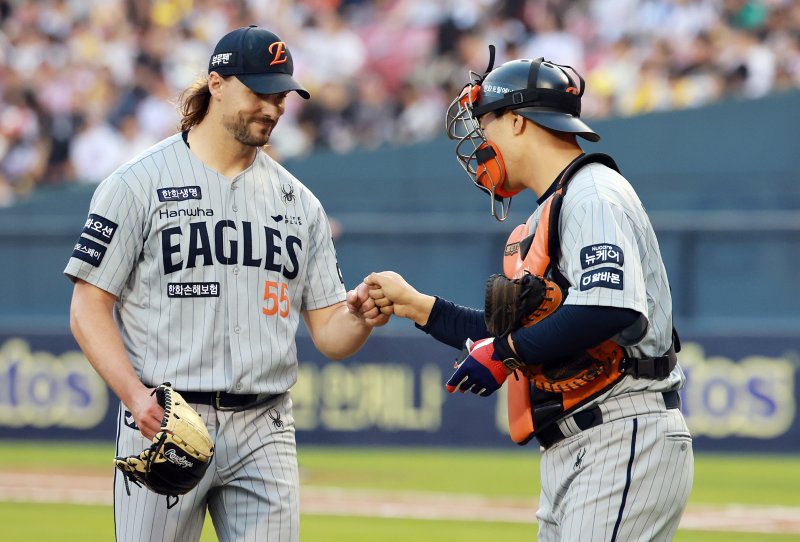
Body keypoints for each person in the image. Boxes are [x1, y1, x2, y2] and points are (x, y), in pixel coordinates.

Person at [65, 25, 386, 542]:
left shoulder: (299, 203)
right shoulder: (136, 183)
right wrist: (134, 397)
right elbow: (87, 307)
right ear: (216, 83)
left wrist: (362, 316)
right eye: (259, 92)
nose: (273, 107)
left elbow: (330, 332)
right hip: (164, 416)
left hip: (266, 424)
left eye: (280, 95)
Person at [359, 51, 694, 540]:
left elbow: (611, 305)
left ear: (516, 122)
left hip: (622, 431)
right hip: (582, 444)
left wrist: (505, 351)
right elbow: (528, 332)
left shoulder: (591, 192)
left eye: (486, 124)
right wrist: (417, 306)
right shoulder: (551, 209)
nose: (481, 143)